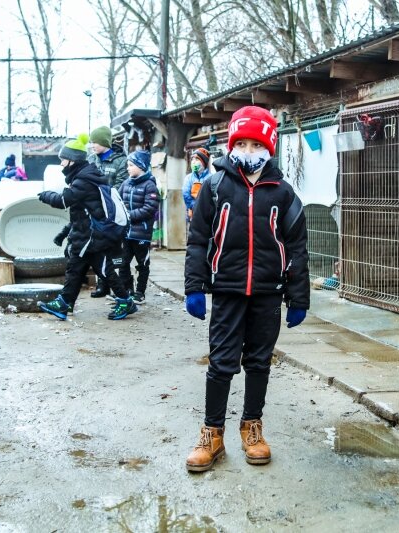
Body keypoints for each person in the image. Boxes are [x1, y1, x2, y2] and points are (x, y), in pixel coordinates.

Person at [183, 106, 310, 473]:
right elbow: (197, 240)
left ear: (269, 147)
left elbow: (297, 248)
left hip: (268, 292)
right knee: (221, 363)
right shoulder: (215, 186)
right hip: (227, 290)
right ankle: (212, 434)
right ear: (232, 145)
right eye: (242, 143)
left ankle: (252, 427)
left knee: (258, 362)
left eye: (257, 144)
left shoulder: (283, 193)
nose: (249, 150)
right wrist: (194, 287)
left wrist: (298, 297)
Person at [36, 134, 136, 321]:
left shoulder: (83, 180)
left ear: (72, 160)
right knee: (79, 268)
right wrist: (64, 234)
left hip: (90, 236)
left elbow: (64, 201)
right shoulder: (84, 176)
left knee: (96, 269)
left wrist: (45, 195)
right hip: (87, 235)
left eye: (63, 160)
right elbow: (80, 212)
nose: (61, 164)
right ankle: (65, 303)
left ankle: (124, 301)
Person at [88, 125, 129, 298]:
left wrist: (105, 199)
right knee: (98, 249)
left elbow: (120, 185)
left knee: (116, 252)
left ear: (105, 142)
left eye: (95, 142)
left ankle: (124, 286)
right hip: (95, 211)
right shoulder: (92, 160)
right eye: (91, 142)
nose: (92, 145)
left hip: (112, 212)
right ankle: (102, 285)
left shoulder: (121, 161)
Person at [118, 150, 160, 304]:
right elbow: (118, 202)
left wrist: (128, 215)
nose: (128, 168)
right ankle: (127, 290)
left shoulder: (150, 185)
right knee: (123, 263)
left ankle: (140, 292)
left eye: (131, 165)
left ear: (141, 166)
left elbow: (149, 208)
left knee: (142, 264)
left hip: (141, 234)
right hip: (125, 233)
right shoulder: (125, 184)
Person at [182, 147, 210, 224]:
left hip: (207, 215)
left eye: (197, 159)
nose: (194, 162)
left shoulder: (211, 177)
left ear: (204, 162)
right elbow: (186, 194)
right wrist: (194, 207)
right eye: (192, 159)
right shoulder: (188, 178)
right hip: (193, 214)